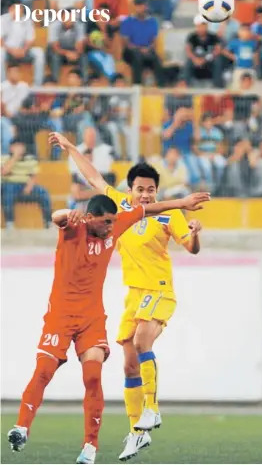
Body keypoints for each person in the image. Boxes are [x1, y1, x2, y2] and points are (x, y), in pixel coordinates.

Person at [7, 160, 210, 464]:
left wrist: (183, 204)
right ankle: (24, 427)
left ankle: (99, 442)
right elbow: (60, 214)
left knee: (100, 371)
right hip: (64, 316)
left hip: (115, 308)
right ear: (90, 219)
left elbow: (155, 215)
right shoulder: (77, 227)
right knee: (58, 371)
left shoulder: (117, 224)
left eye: (114, 222)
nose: (112, 229)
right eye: (105, 223)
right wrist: (65, 209)